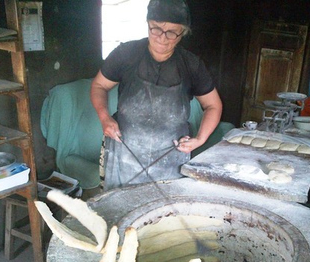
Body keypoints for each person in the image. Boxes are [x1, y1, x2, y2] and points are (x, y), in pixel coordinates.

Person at [90, 0, 223, 191]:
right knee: (119, 212)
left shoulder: (191, 65)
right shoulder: (125, 54)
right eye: (156, 29)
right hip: (125, 156)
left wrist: (200, 139)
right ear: (148, 24)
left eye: (171, 32)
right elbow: (99, 85)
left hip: (171, 161)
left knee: (165, 216)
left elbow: (213, 105)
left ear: (182, 33)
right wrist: (104, 117)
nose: (162, 37)